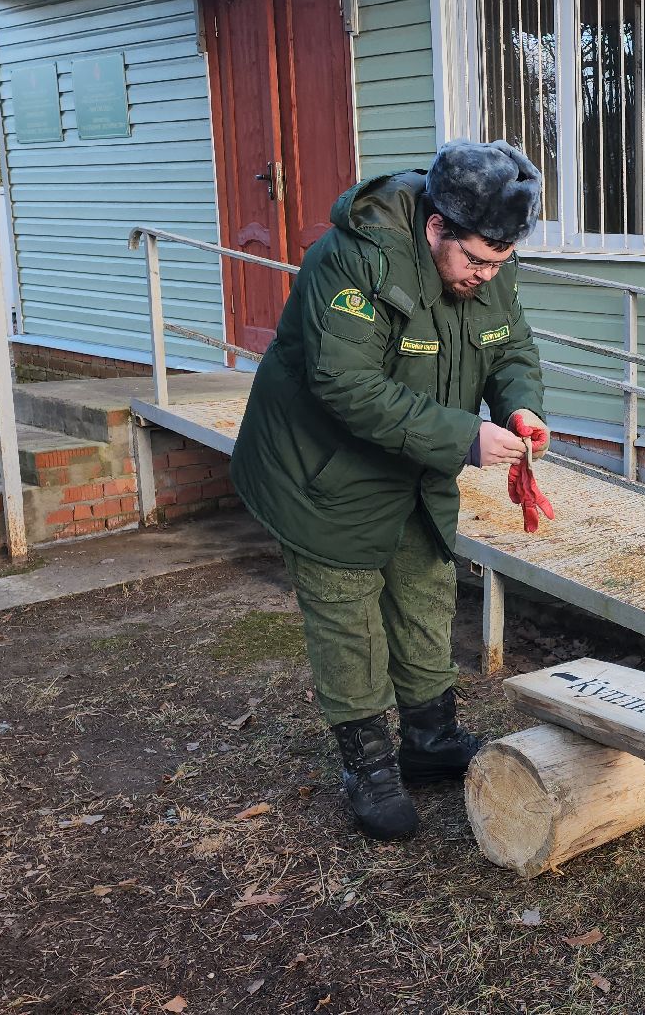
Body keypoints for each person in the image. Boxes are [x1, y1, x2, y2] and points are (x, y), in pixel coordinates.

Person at [231, 140, 551, 842]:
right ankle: (368, 764)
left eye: (499, 263)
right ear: (436, 225)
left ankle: (430, 741)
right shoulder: (350, 260)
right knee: (349, 615)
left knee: (424, 590)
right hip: (320, 468)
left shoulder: (489, 257)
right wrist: (464, 438)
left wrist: (520, 403)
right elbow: (345, 385)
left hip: (414, 466)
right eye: (475, 261)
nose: (486, 275)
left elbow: (511, 347)